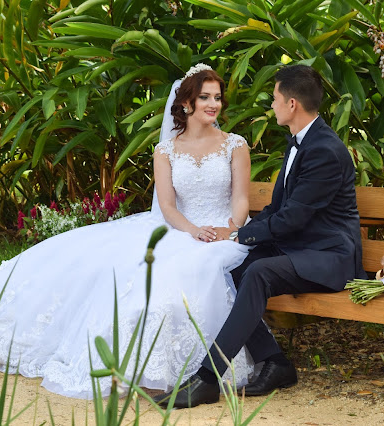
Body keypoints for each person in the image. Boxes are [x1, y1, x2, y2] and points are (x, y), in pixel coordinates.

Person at [0, 64, 256, 399]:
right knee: (97, 267)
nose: (213, 104)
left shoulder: (234, 145)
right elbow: (167, 206)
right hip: (180, 229)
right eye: (204, 97)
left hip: (226, 233)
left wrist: (229, 230)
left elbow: (241, 199)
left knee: (180, 281)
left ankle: (174, 369)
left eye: (217, 98)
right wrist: (193, 230)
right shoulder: (166, 150)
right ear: (185, 103)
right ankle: (131, 366)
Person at [155, 64, 367, 408]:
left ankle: (208, 378)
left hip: (330, 258)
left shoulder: (324, 151)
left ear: (292, 104)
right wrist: (239, 234)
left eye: (275, 98)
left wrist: (239, 237)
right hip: (301, 249)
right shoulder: (301, 142)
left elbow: (294, 218)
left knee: (258, 271)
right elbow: (279, 208)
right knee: (234, 270)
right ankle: (277, 364)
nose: (272, 105)